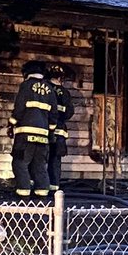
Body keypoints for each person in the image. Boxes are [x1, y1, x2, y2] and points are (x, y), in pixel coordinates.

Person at [8, 60, 56, 197]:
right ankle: (41, 194)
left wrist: (11, 123)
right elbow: (54, 115)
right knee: (39, 165)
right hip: (43, 135)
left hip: (25, 134)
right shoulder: (50, 89)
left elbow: (19, 108)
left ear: (27, 73)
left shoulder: (26, 86)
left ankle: (23, 194)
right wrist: (50, 132)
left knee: (20, 163)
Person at [46, 63, 76, 192]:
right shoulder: (65, 93)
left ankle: (37, 187)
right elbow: (69, 112)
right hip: (59, 133)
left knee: (39, 160)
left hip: (43, 130)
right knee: (55, 161)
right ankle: (54, 188)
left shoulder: (44, 89)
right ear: (60, 78)